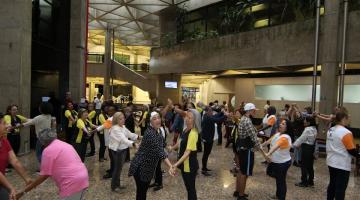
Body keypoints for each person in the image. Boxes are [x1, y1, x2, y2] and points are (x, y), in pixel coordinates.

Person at [16, 128, 89, 200]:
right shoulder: (65, 144)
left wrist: (23, 192)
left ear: (42, 142)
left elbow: (44, 175)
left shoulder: (48, 150)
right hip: (82, 177)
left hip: (71, 182)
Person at [128, 112, 174, 200]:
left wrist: (167, 146)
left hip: (147, 167)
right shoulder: (150, 133)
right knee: (141, 193)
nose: (158, 120)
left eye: (158, 118)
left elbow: (161, 142)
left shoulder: (157, 131)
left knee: (142, 192)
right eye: (154, 118)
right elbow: (160, 151)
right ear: (150, 122)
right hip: (141, 167)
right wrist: (170, 166)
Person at [236, 103, 268, 200]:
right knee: (244, 173)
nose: (255, 112)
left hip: (242, 149)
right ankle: (241, 195)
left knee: (242, 172)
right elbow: (254, 139)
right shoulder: (247, 121)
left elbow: (252, 133)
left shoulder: (244, 119)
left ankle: (239, 192)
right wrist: (265, 154)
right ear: (249, 111)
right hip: (247, 151)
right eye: (254, 110)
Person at [326, 107, 359, 200]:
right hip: (342, 165)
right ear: (344, 118)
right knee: (340, 189)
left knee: (332, 185)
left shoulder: (330, 130)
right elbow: (351, 150)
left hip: (331, 162)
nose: (349, 119)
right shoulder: (346, 132)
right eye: (348, 117)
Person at [0, 113, 32, 200]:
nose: (7, 126)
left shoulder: (4, 141)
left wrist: (27, 178)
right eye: (4, 123)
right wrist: (10, 187)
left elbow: (15, 161)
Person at [169, 110, 199, 200]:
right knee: (189, 187)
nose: (187, 119)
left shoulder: (193, 133)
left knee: (191, 189)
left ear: (195, 120)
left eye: (190, 118)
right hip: (185, 165)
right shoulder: (186, 129)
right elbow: (180, 141)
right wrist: (172, 148)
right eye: (187, 117)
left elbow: (187, 152)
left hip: (189, 165)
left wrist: (175, 164)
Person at [108, 112, 140, 192]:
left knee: (119, 168)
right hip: (117, 151)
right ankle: (114, 187)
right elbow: (123, 140)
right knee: (117, 169)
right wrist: (134, 144)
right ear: (116, 120)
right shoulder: (115, 129)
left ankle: (117, 185)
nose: (123, 120)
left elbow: (130, 134)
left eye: (123, 118)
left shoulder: (122, 127)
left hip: (123, 150)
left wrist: (140, 137)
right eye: (120, 119)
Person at [263, 119, 293, 200]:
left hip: (283, 163)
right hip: (276, 162)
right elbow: (269, 141)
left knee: (281, 181)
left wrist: (268, 154)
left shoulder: (285, 137)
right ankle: (278, 196)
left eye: (283, 124)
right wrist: (261, 145)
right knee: (278, 179)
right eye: (281, 123)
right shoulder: (278, 134)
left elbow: (276, 146)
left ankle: (281, 197)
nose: (280, 124)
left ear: (287, 128)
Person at [200, 106, 226, 176]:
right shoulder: (207, 117)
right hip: (207, 138)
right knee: (206, 154)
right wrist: (225, 116)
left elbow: (215, 116)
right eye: (211, 111)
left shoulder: (207, 116)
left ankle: (204, 168)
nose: (212, 112)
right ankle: (203, 169)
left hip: (208, 138)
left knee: (207, 153)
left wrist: (221, 112)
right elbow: (217, 120)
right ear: (207, 111)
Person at [293, 116, 317, 187]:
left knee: (304, 165)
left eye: (305, 120)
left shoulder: (307, 129)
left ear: (308, 122)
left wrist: (293, 145)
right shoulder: (314, 128)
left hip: (306, 149)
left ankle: (304, 182)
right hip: (311, 148)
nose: (304, 122)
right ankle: (310, 181)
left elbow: (301, 139)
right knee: (310, 166)